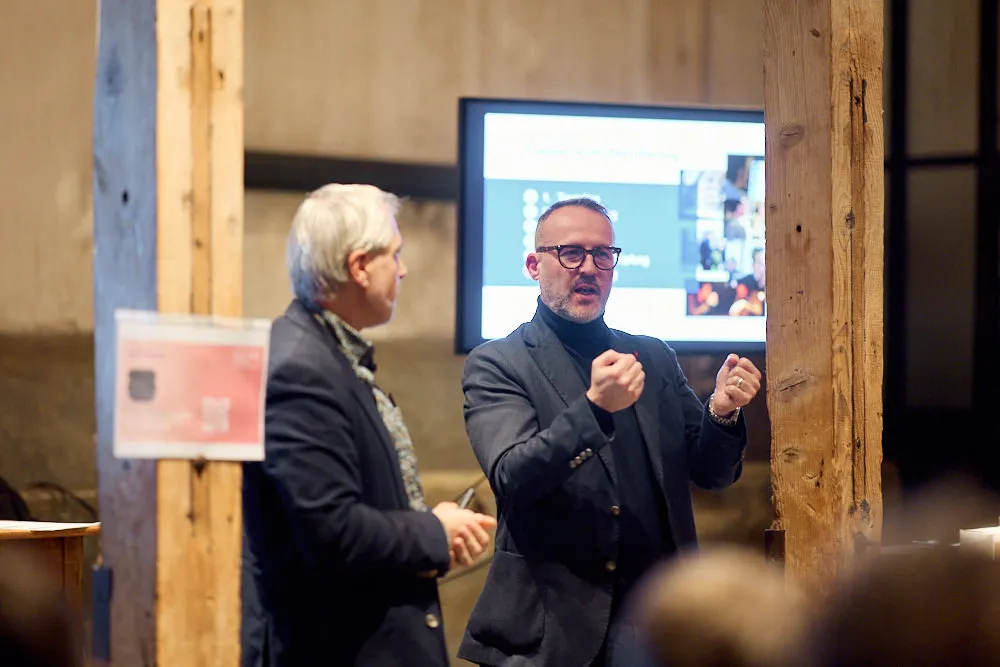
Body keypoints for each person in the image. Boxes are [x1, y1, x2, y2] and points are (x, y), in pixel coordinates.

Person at [457, 197, 761, 667]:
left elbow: (712, 474)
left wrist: (721, 411)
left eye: (602, 255)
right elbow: (512, 475)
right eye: (571, 253)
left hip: (660, 622)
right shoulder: (499, 362)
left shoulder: (653, 357)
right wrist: (595, 410)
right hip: (556, 629)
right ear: (534, 266)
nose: (589, 268)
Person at [241, 184, 497, 667]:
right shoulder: (300, 369)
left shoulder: (329, 352)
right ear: (360, 266)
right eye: (394, 255)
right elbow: (333, 531)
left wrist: (433, 525)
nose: (403, 269)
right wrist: (433, 532)